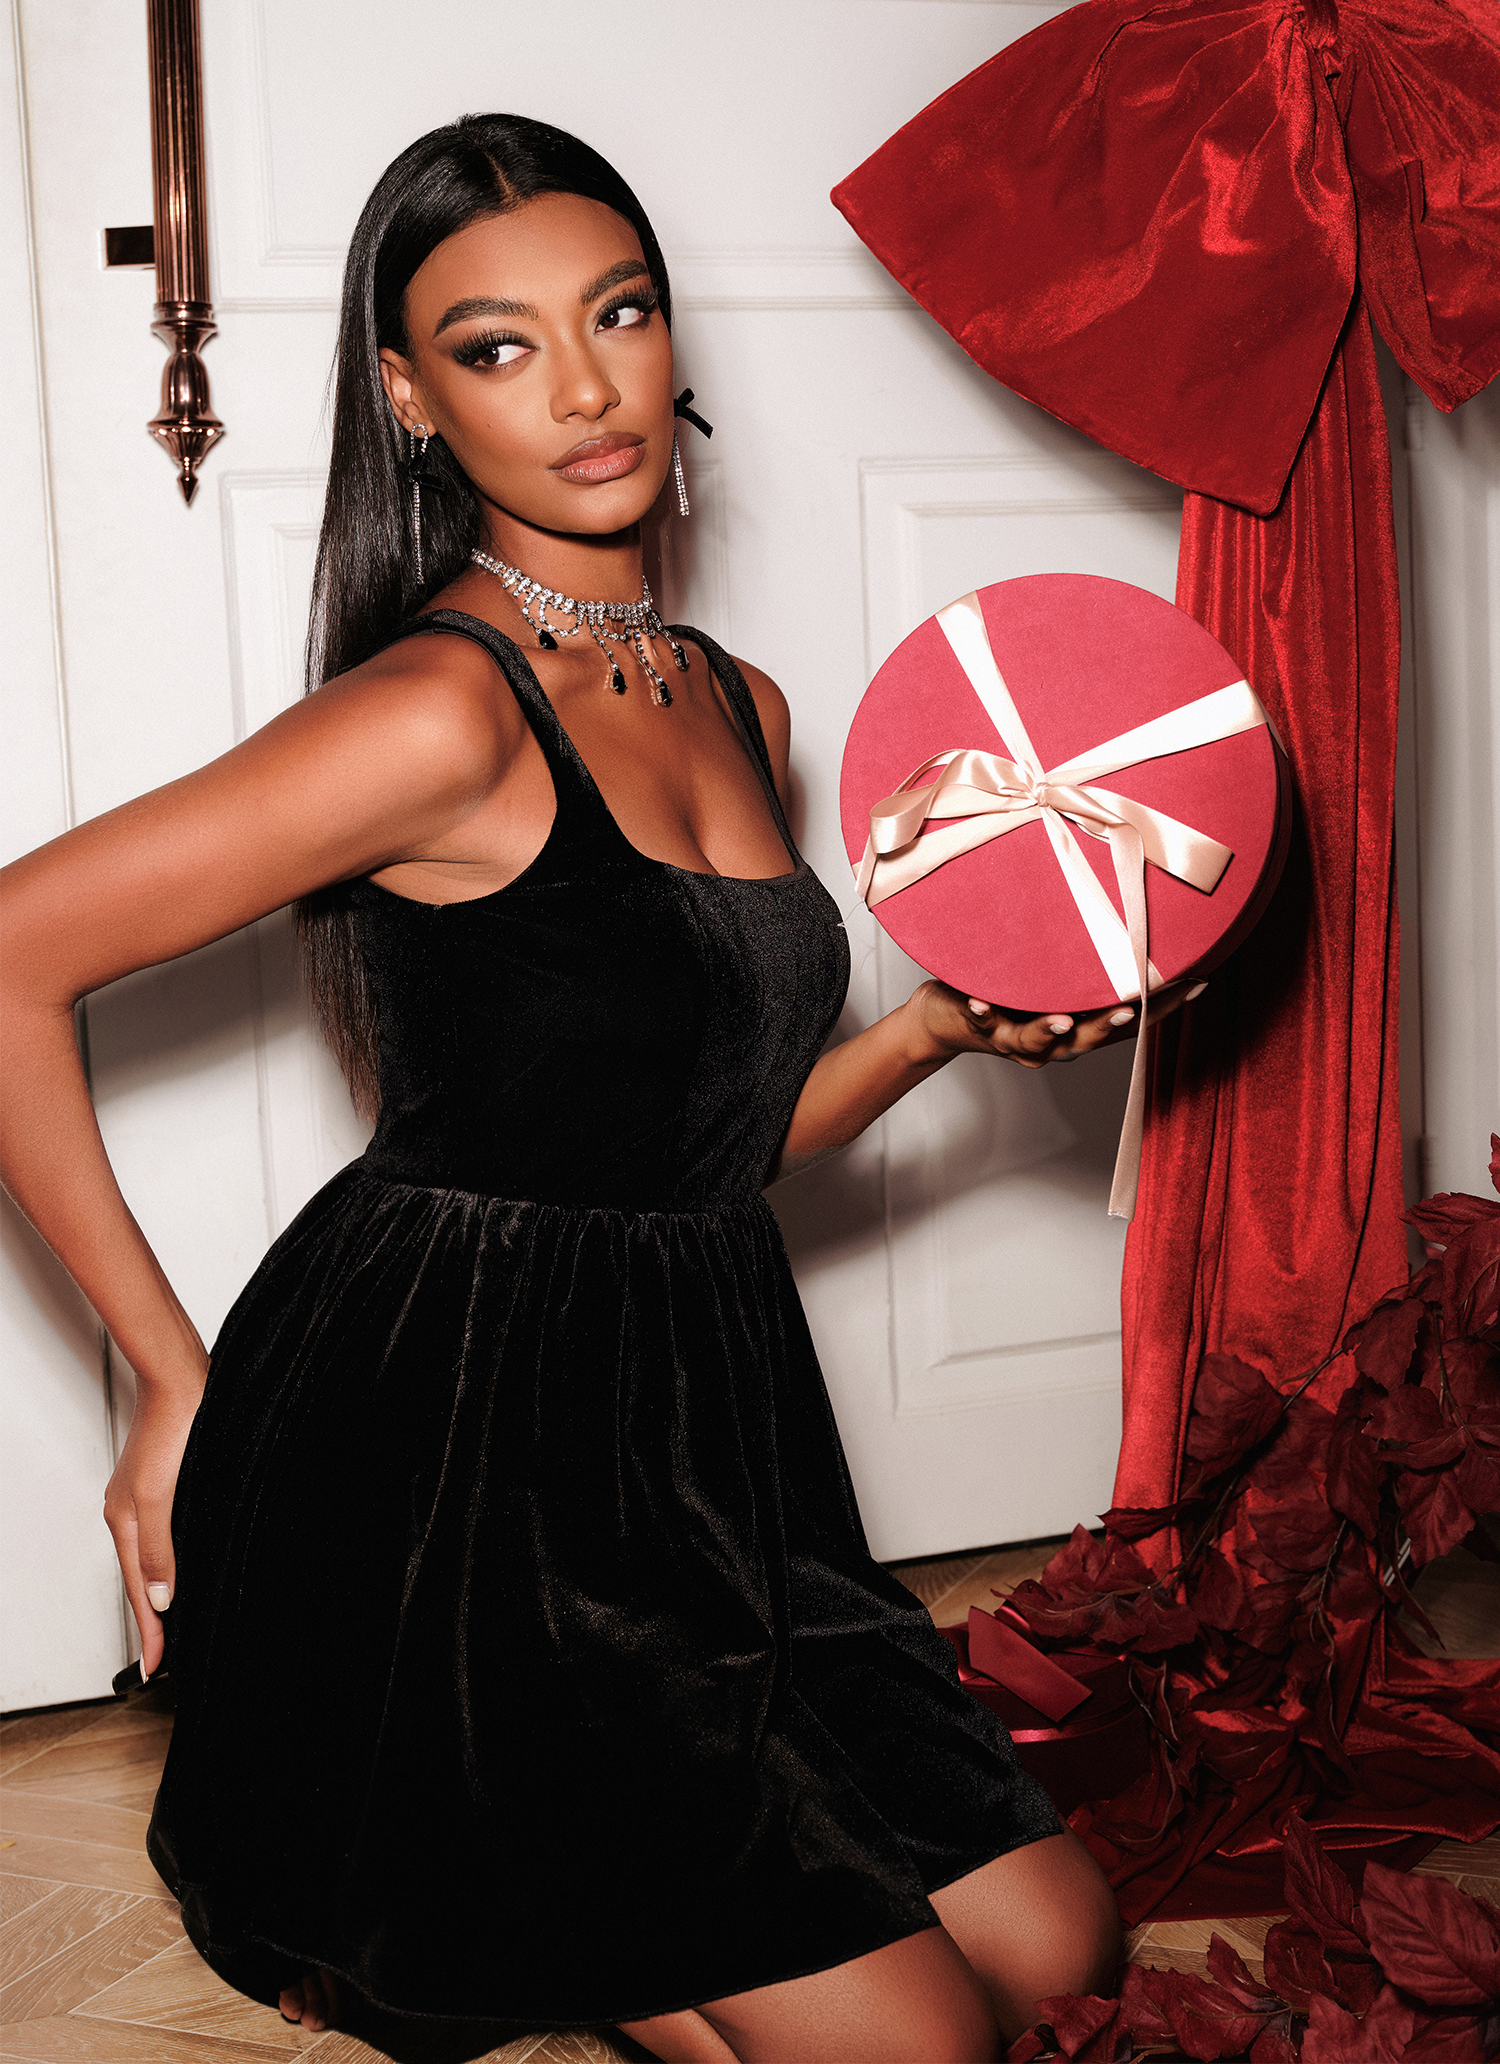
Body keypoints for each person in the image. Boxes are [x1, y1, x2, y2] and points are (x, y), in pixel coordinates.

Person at [1, 114, 1177, 2064]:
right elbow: (10, 954)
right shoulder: (436, 715)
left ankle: (534, 1886)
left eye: (616, 313)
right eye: (498, 345)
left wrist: (936, 1035)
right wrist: (162, 1377)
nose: (582, 386)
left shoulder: (739, 700)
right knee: (923, 2047)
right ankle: (443, 1830)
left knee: (1064, 1949)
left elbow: (696, 1151)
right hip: (451, 1463)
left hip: (708, 1454)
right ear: (411, 397)